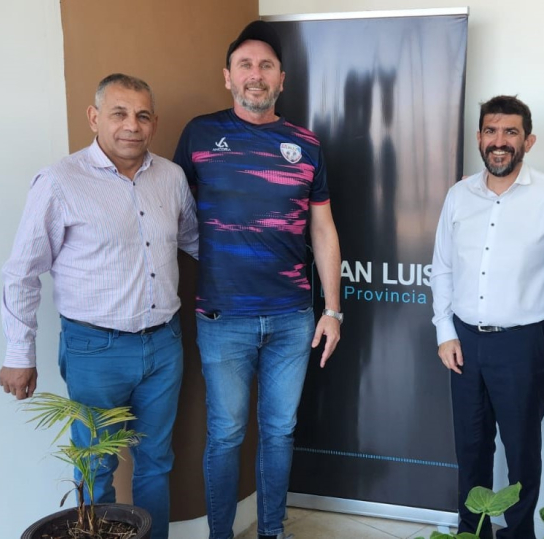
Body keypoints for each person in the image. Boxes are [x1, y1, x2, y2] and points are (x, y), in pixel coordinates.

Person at [0, 73, 199, 539]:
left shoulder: (170, 178)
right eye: (119, 113)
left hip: (164, 346)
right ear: (94, 118)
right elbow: (22, 272)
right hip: (95, 351)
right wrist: (18, 353)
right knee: (95, 465)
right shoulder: (59, 182)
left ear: (153, 123)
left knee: (156, 462)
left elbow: (195, 242)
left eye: (143, 115)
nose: (132, 125)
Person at [173, 20, 342, 539]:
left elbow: (323, 228)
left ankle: (272, 531)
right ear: (227, 77)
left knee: (279, 432)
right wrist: (227, 253)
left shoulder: (306, 144)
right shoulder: (200, 135)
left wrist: (332, 311)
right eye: (245, 65)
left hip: (293, 318)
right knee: (225, 434)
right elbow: (175, 216)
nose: (255, 74)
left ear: (281, 79)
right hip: (223, 319)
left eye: (266, 65)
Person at [431, 95, 544, 539]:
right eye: (491, 131)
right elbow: (442, 267)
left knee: (521, 451)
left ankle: (519, 535)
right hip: (463, 343)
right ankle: (470, 533)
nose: (500, 141)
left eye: (511, 132)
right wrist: (444, 331)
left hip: (523, 345)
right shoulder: (459, 196)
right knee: (471, 448)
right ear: (479, 138)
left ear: (528, 141)